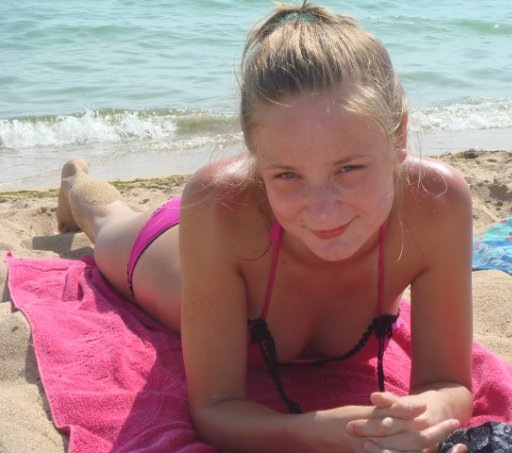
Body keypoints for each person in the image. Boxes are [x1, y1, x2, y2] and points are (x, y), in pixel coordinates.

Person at [56, 2, 473, 452]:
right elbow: (214, 407)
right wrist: (310, 432)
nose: (323, 211)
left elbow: (448, 384)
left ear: (399, 137)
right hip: (204, 231)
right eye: (288, 174)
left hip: (258, 215)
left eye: (348, 169)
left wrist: (424, 415)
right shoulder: (216, 206)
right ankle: (74, 180)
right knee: (107, 221)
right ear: (255, 155)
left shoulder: (437, 203)